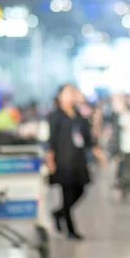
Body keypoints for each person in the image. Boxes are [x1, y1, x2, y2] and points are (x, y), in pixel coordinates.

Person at [46, 84, 94, 240]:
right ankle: (71, 229)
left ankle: (58, 213)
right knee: (66, 194)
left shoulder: (80, 115)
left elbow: (87, 138)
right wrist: (50, 160)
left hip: (78, 160)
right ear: (59, 96)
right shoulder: (55, 116)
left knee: (80, 189)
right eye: (67, 93)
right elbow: (50, 141)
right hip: (63, 161)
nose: (71, 95)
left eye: (73, 92)